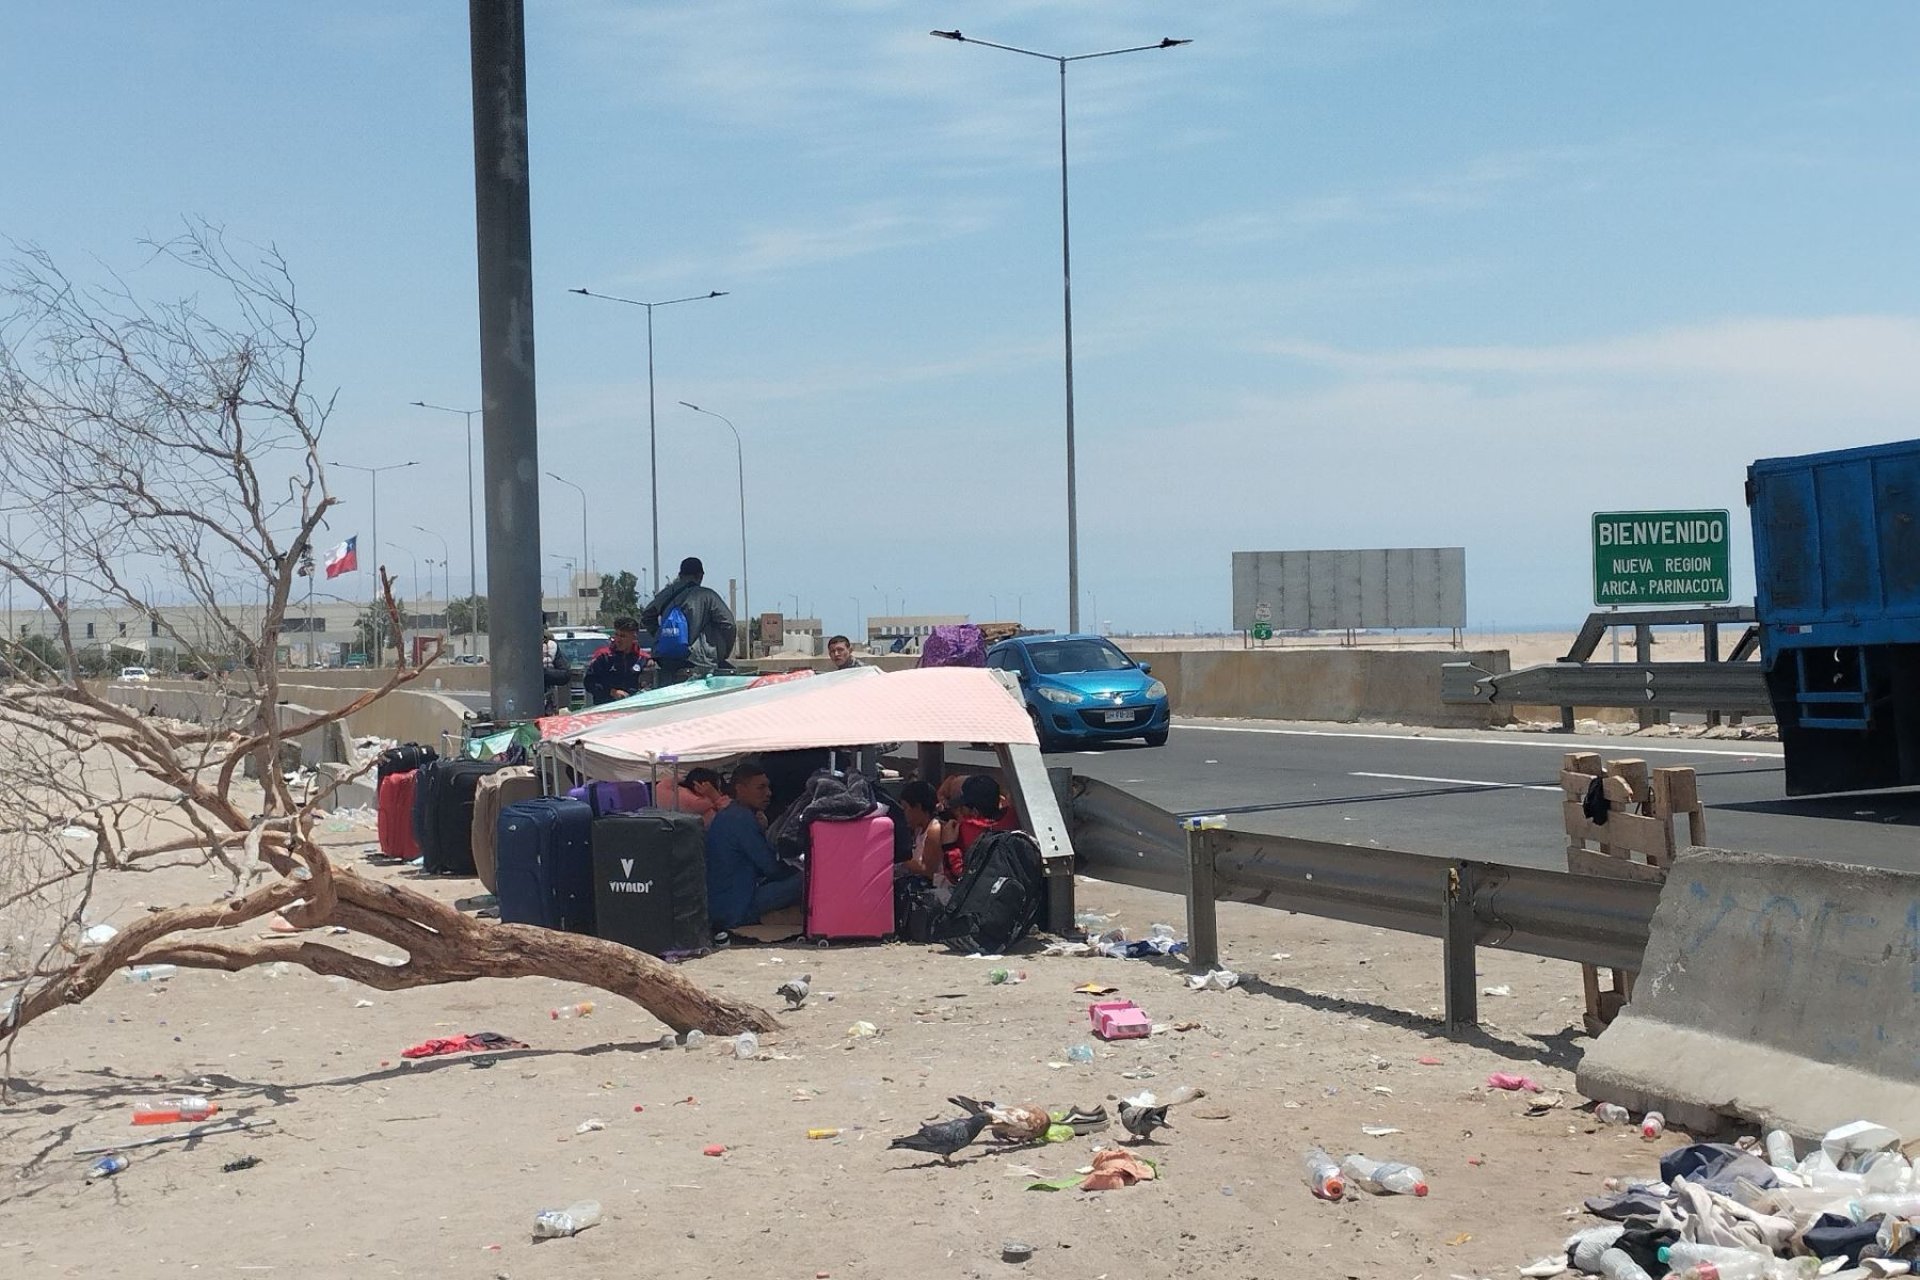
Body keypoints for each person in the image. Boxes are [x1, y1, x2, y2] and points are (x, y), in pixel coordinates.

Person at [704, 756, 802, 933]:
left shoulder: (730, 815)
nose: (768, 793)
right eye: (760, 787)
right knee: (809, 878)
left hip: (727, 902)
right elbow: (771, 868)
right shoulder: (741, 818)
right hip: (738, 907)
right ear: (740, 789)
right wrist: (798, 867)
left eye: (768, 787)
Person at [642, 557, 737, 685]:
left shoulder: (666, 594)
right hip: (698, 661)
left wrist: (662, 636)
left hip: (666, 660)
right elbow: (728, 624)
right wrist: (722, 651)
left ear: (680, 575)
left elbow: (647, 616)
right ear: (700, 576)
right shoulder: (707, 596)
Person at [945, 774, 1020, 880]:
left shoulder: (966, 830)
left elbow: (958, 876)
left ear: (975, 812)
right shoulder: (1015, 817)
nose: (961, 811)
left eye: (963, 807)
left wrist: (949, 846)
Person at [581, 617, 650, 705]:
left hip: (635, 707)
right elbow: (589, 683)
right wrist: (612, 692)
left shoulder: (643, 658)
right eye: (616, 635)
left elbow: (650, 685)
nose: (618, 640)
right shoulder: (604, 656)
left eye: (623, 636)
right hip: (606, 707)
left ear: (634, 637)